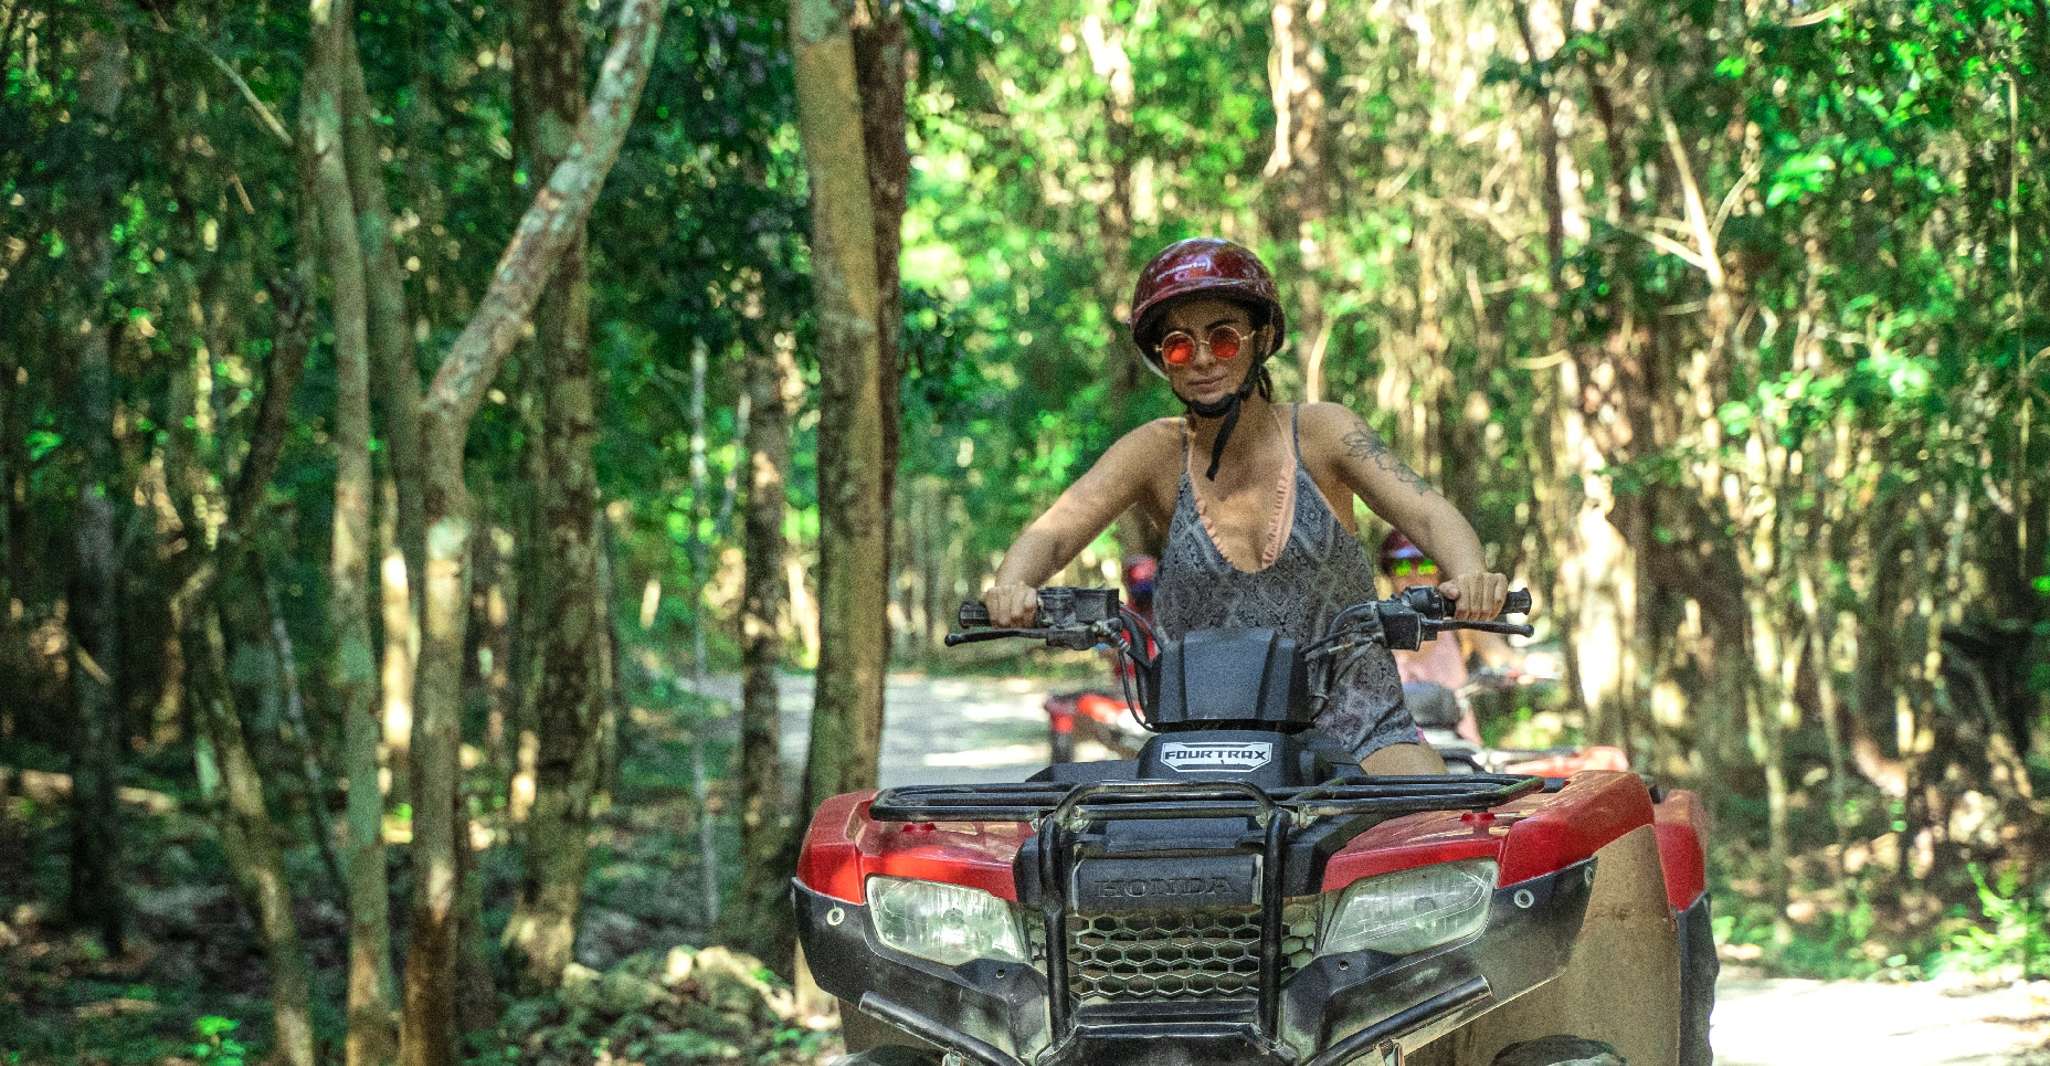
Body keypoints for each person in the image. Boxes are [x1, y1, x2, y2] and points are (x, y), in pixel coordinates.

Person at [983, 237, 1508, 774]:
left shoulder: (1325, 433)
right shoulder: (1156, 451)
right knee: (1096, 842)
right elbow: (1055, 532)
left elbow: (1426, 513)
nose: (1204, 357)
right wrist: (1012, 587)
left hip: (1360, 728)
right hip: (1201, 745)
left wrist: (1471, 578)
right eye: (1180, 345)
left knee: (1426, 823)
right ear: (1164, 360)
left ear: (1261, 340)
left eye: (1224, 338)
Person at [1381, 530, 1484, 745]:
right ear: (1389, 575)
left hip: (1458, 741)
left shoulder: (1459, 622)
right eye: (1402, 568)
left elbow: (1498, 652)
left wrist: (1524, 664)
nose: (1415, 576)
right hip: (1400, 745)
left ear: (1440, 573)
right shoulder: (1375, 627)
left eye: (1426, 566)